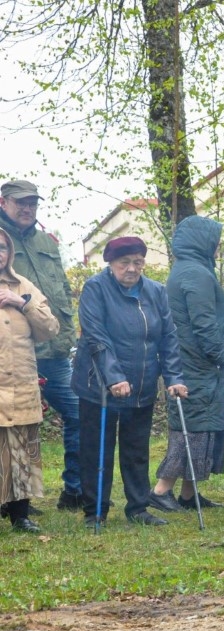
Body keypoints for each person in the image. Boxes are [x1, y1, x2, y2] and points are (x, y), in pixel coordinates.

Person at [72, 237, 187, 526]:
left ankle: (138, 508)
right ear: (110, 264)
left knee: (136, 449)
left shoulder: (156, 291)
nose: (132, 268)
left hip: (142, 382)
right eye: (125, 263)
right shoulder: (95, 288)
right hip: (98, 384)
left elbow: (168, 336)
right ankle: (95, 511)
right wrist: (114, 378)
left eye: (138, 262)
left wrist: (174, 377)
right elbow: (96, 336)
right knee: (97, 450)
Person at [148, 215, 224, 513]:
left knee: (203, 426)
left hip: (194, 363)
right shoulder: (196, 273)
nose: (217, 248)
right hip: (198, 364)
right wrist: (219, 356)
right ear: (203, 242)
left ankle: (189, 494)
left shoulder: (190, 269)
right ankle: (161, 490)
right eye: (215, 242)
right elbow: (204, 323)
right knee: (192, 428)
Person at [0, 179, 82, 511]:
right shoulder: (1, 242)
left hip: (54, 351)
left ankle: (75, 489)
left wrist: (69, 334)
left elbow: (60, 289)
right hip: (13, 353)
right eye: (20, 202)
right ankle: (12, 499)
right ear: (3, 202)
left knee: (78, 413)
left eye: (33, 202)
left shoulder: (46, 241)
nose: (27, 208)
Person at [0, 227, 59, 532]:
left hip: (21, 384)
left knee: (21, 450)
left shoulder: (24, 285)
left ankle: (20, 516)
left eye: (2, 248)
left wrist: (21, 302)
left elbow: (51, 328)